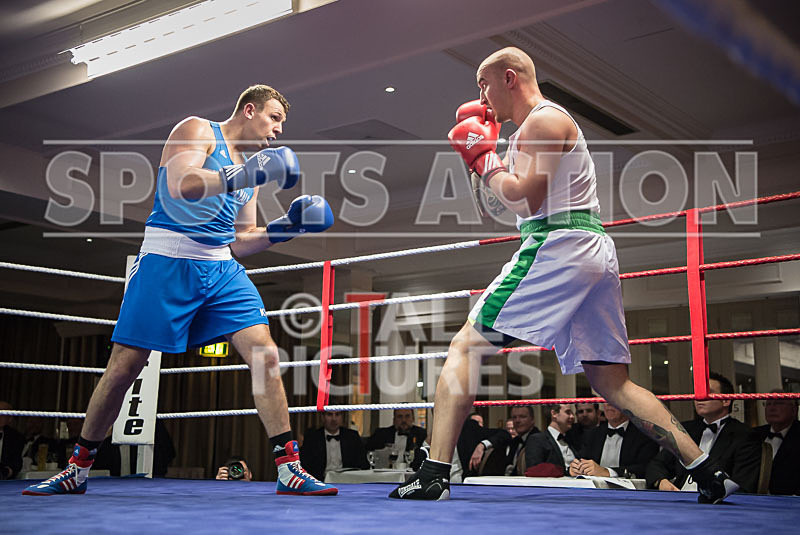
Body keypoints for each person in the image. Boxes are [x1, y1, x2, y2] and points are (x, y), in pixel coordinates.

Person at [390, 47, 737, 503]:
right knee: (611, 382)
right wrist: (478, 158)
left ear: (510, 78)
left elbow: (526, 199)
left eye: (483, 83)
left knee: (464, 347)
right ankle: (707, 471)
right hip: (585, 251)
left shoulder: (545, 120)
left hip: (558, 244)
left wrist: (483, 158)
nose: (480, 94)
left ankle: (433, 474)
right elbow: (498, 206)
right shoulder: (527, 133)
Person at [23, 84, 337, 497]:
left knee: (264, 352)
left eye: (282, 122)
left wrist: (284, 230)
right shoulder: (198, 130)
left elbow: (241, 238)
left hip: (220, 266)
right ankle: (77, 469)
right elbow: (182, 186)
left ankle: (289, 468)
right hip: (167, 259)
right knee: (123, 368)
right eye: (274, 118)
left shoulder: (251, 172)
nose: (278, 130)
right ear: (249, 110)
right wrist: (249, 172)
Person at [645, 372, 758, 493]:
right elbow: (657, 464)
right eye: (698, 392)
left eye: (708, 392)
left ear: (726, 400)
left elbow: (743, 484)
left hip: (717, 504)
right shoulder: (684, 429)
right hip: (678, 497)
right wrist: (661, 482)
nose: (699, 397)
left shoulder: (744, 435)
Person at [569, 403, 659, 479]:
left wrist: (608, 472)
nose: (608, 404)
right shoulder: (592, 434)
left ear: (627, 405)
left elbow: (647, 468)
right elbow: (582, 458)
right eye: (605, 400)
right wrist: (576, 467)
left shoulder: (645, 435)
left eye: (612, 400)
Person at [748, 391, 799, 495]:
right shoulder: (753, 434)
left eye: (779, 403)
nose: (772, 408)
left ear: (794, 410)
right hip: (752, 500)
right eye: (768, 404)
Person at [300, 410, 369, 481]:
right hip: (320, 482)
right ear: (323, 417)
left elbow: (363, 464)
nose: (334, 419)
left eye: (337, 414)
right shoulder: (312, 438)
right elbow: (305, 466)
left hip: (348, 481)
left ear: (342, 417)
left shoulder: (352, 436)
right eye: (329, 414)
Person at [524, 404, 578, 477]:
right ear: (554, 414)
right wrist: (567, 472)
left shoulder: (572, 438)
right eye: (568, 412)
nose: (572, 416)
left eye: (572, 413)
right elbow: (534, 471)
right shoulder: (537, 439)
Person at [1, 401, 25, 480]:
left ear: (10, 418)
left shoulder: (16, 437)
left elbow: (16, 464)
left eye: (3, 413)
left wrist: (6, 472)